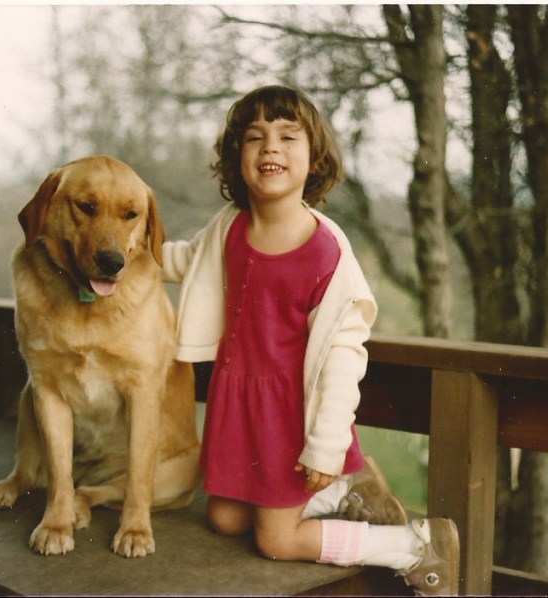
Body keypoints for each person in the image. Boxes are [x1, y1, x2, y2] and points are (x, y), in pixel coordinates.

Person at [162, 85, 459, 596]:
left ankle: (412, 545)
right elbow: (191, 261)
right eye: (255, 137)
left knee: (276, 541)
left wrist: (325, 447)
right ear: (237, 158)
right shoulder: (230, 226)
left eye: (287, 136)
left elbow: (343, 359)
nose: (270, 147)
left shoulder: (326, 251)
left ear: (314, 157)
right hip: (240, 404)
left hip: (292, 420)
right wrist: (132, 256)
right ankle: (346, 492)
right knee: (225, 519)